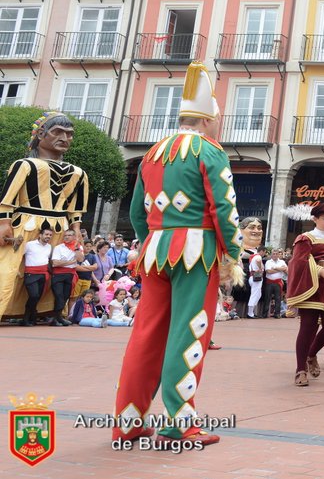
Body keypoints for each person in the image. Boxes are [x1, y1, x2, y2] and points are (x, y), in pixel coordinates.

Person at [111, 63, 243, 446]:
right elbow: (224, 208)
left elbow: (137, 212)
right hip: (196, 253)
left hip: (154, 250)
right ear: (208, 120)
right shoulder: (210, 151)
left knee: (146, 334)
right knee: (189, 335)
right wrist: (231, 255)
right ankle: (178, 424)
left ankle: (129, 421)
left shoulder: (153, 153)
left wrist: (151, 241)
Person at [0, 111, 89, 320]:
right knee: (10, 268)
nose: (65, 138)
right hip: (25, 224)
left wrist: (76, 231)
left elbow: (75, 208)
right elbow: (7, 198)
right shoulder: (25, 165)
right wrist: (4, 222)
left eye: (69, 134)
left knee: (52, 272)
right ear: (41, 134)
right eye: (58, 132)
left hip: (60, 227)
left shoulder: (78, 173)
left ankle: (44, 311)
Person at [286, 203, 324, 386]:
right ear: (315, 219)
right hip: (311, 286)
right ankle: (300, 370)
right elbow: (299, 261)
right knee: (308, 327)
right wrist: (320, 271)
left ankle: (311, 354)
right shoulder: (305, 238)